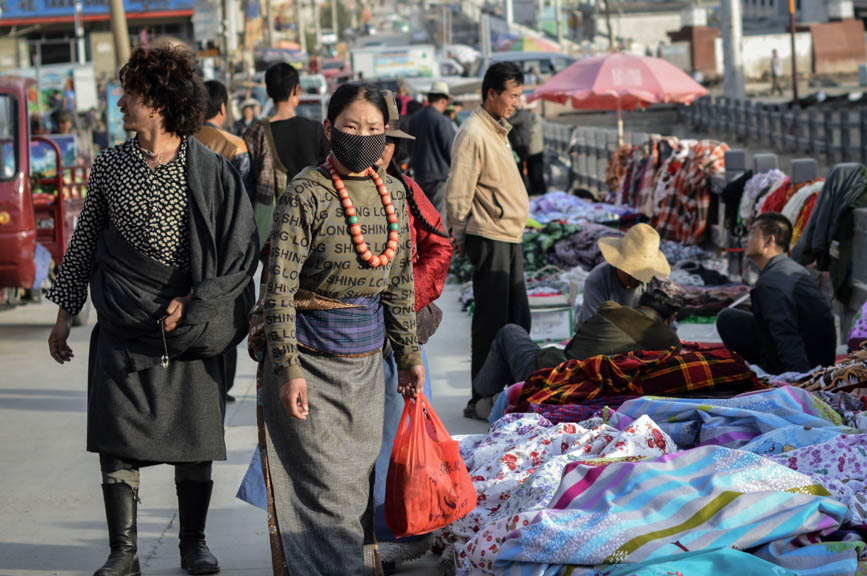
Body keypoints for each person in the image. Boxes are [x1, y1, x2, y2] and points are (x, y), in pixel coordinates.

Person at [45, 45, 258, 576]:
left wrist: (195, 301)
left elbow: (238, 251)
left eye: (131, 94)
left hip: (186, 326)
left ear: (159, 103)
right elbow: (86, 237)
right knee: (117, 438)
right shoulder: (111, 164)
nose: (121, 103)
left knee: (194, 441)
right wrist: (65, 311)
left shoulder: (207, 168)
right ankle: (124, 553)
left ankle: (193, 545)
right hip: (122, 323)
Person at [262, 82, 424, 574]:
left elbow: (398, 285)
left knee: (354, 488)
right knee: (327, 491)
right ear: (330, 128)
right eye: (352, 127)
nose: (363, 137)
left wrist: (410, 354)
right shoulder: (304, 194)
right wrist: (288, 367)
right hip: (308, 366)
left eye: (374, 129)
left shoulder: (393, 191)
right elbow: (278, 289)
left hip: (367, 371)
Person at [372, 90, 453, 570]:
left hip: (390, 339)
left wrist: (406, 300)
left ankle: (390, 534)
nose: (378, 150)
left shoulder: (404, 190)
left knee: (389, 436)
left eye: (385, 141)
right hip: (332, 340)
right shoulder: (318, 188)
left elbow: (439, 246)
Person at [444, 61, 531, 419]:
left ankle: (504, 392)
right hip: (490, 234)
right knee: (491, 322)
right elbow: (458, 191)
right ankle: (479, 395)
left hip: (507, 234)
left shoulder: (495, 130)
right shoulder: (474, 133)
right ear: (492, 94)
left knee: (516, 318)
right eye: (511, 96)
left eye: (519, 96)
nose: (516, 103)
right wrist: (459, 234)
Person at [471, 277, 685, 418]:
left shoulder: (610, 309)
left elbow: (576, 342)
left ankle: (481, 394)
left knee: (510, 332)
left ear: (641, 298)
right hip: (587, 388)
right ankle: (492, 400)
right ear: (672, 317)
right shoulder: (670, 344)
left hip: (551, 376)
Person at [717, 212, 836, 374]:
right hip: (818, 356)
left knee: (727, 319)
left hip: (808, 361)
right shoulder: (785, 268)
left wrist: (801, 382)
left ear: (770, 240)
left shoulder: (774, 280)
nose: (747, 239)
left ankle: (771, 369)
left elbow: (786, 334)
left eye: (753, 232)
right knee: (730, 318)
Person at [195, 79, 252, 404]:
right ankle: (223, 383)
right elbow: (243, 197)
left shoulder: (179, 143)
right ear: (222, 108)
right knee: (226, 312)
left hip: (191, 245)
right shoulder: (234, 145)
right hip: (226, 244)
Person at [243, 62, 329, 249]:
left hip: (274, 231)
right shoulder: (315, 130)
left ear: (268, 92)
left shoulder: (255, 134)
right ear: (295, 90)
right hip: (313, 223)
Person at [575, 223, 671, 332]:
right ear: (619, 263)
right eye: (632, 272)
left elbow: (666, 325)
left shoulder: (653, 282)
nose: (636, 278)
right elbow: (594, 330)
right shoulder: (597, 281)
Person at [408, 81, 454, 216]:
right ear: (443, 101)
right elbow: (450, 149)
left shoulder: (415, 119)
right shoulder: (441, 120)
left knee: (424, 216)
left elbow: (410, 146)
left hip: (419, 175)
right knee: (439, 218)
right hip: (439, 178)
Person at [508, 95, 546, 196]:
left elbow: (532, 132)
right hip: (530, 148)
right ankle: (534, 190)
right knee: (531, 171)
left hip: (534, 149)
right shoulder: (529, 116)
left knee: (536, 171)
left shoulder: (528, 116)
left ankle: (538, 191)